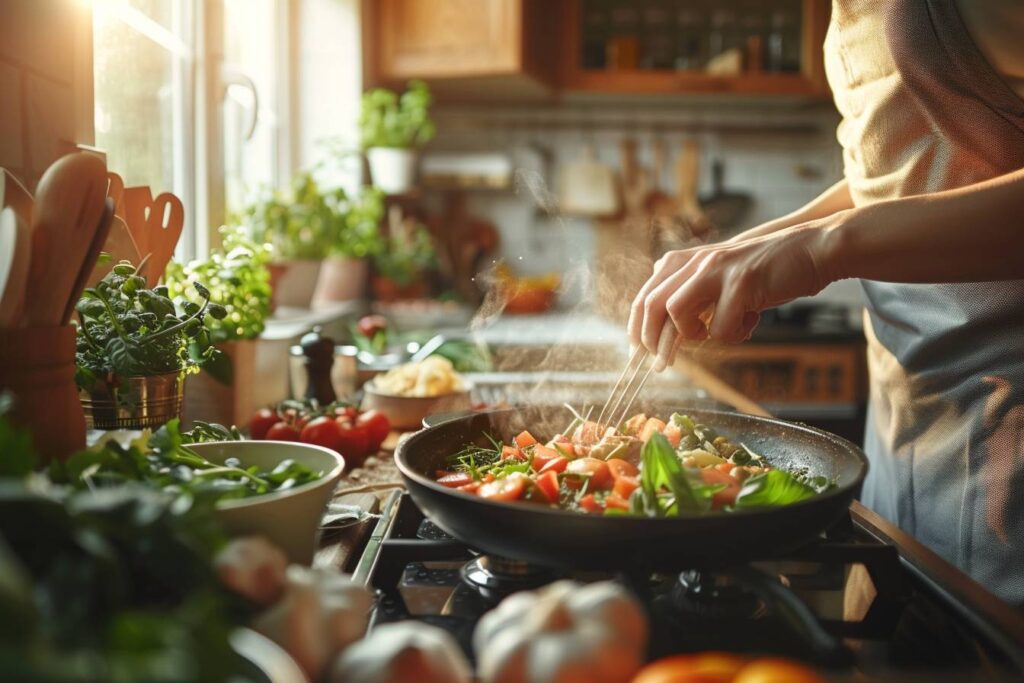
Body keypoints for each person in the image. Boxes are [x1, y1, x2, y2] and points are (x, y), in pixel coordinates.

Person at [628, 0, 1024, 605]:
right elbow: (903, 173)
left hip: (1009, 443)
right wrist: (752, 245)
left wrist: (822, 250)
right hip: (905, 429)